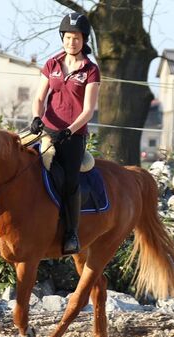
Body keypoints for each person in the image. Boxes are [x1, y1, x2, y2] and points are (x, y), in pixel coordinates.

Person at [30, 12, 101, 255]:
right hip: (47, 129)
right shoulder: (51, 64)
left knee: (71, 181)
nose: (73, 42)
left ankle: (71, 233)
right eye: (69, 37)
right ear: (63, 38)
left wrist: (68, 131)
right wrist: (37, 117)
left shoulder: (91, 70)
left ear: (84, 40)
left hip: (73, 136)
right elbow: (40, 97)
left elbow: (89, 109)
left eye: (77, 38)